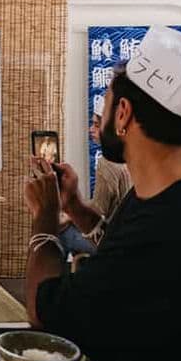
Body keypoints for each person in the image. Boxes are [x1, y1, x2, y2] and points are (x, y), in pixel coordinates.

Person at [23, 26, 181, 361]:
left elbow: (43, 313)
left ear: (123, 113)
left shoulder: (168, 224)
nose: (103, 116)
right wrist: (75, 208)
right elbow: (121, 254)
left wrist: (45, 217)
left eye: (107, 105)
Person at [57, 99, 132, 256]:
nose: (91, 129)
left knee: (59, 233)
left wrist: (69, 216)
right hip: (128, 237)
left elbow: (99, 211)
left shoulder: (107, 163)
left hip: (112, 242)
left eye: (97, 125)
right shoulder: (131, 156)